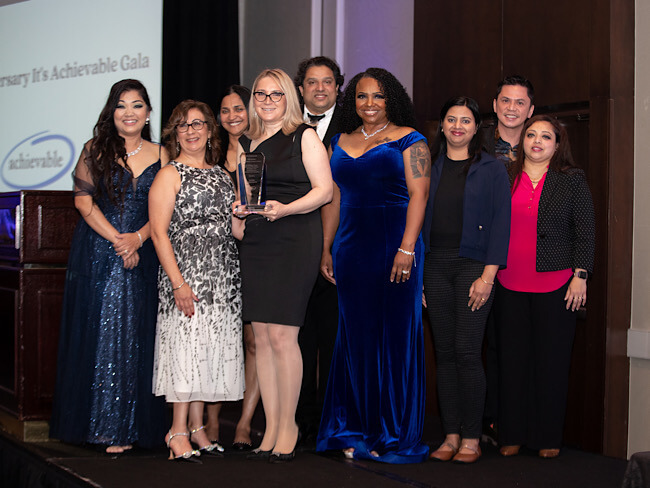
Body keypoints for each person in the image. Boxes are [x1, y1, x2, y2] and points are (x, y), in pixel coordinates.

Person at [316, 68, 431, 464]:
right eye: (362, 97)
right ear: (352, 101)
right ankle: (356, 427)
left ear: (391, 99)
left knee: (395, 341)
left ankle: (394, 431)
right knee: (356, 340)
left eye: (378, 97)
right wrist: (327, 248)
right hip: (351, 248)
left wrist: (407, 248)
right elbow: (333, 198)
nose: (369, 104)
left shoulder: (411, 140)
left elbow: (419, 196)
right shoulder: (339, 141)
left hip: (395, 246)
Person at [50, 79, 168, 454]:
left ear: (148, 112)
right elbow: (83, 203)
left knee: (138, 334)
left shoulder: (164, 154)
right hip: (98, 252)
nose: (129, 112)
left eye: (137, 105)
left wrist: (138, 238)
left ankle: (133, 427)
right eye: (121, 105)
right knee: (99, 334)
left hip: (147, 252)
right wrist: (120, 239)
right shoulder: (93, 149)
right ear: (111, 113)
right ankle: (102, 425)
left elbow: (167, 210)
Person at [234, 68, 332, 463]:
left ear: (289, 98)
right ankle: (271, 427)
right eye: (261, 94)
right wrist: (238, 213)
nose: (268, 101)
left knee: (283, 338)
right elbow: (244, 193)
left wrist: (286, 209)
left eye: (276, 94)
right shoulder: (248, 142)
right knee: (262, 339)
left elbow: (325, 191)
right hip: (257, 240)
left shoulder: (303, 135)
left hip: (294, 238)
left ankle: (288, 426)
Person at [494, 114, 595, 459]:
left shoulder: (571, 180)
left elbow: (585, 230)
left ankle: (548, 437)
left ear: (557, 144)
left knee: (551, 363)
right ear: (522, 140)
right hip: (509, 282)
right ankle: (512, 434)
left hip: (556, 284)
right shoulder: (505, 175)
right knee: (512, 362)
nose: (537, 141)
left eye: (545, 137)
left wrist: (580, 275)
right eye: (531, 135)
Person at [150, 100, 244, 462]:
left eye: (197, 124)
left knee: (207, 351)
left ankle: (197, 428)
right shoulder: (169, 174)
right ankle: (176, 429)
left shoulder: (223, 174)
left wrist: (243, 213)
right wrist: (177, 283)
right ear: (175, 134)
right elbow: (159, 234)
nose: (190, 131)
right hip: (185, 273)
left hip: (222, 276)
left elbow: (235, 231)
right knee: (184, 351)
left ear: (209, 130)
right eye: (183, 126)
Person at [422, 96, 511, 464]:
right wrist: (421, 279)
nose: (458, 126)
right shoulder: (428, 166)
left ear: (476, 128)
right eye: (451, 119)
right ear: (442, 125)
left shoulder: (491, 169)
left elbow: (501, 225)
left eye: (466, 120)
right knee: (443, 354)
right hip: (434, 266)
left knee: (466, 352)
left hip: (474, 268)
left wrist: (488, 276)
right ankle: (451, 434)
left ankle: (472, 438)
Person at [202, 85, 261, 451]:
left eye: (238, 108)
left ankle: (244, 422)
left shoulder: (265, 148)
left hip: (257, 250)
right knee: (217, 339)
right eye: (224, 110)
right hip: (216, 257)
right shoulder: (208, 151)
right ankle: (210, 419)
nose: (232, 116)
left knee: (254, 341)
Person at [293, 56, 344, 443]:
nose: (320, 88)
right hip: (292, 244)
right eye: (312, 82)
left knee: (332, 338)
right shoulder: (286, 127)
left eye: (328, 82)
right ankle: (298, 420)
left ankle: (328, 421)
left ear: (338, 89)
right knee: (296, 339)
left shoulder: (353, 132)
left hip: (340, 248)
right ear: (301, 88)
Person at [481, 75, 535, 445]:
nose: (512, 108)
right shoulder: (476, 141)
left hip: (522, 262)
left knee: (513, 346)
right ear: (495, 104)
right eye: (506, 100)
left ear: (530, 110)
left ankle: (509, 424)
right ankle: (482, 423)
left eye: (520, 103)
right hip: (479, 256)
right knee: (478, 343)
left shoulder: (541, 144)